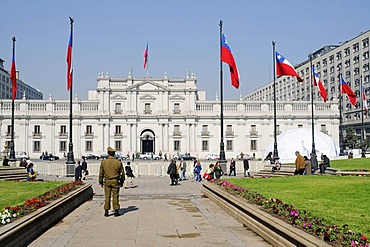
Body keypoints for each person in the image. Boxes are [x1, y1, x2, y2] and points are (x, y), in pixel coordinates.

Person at [99, 147, 125, 217]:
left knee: (107, 196)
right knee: (115, 195)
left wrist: (100, 182)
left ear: (108, 154)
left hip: (107, 181)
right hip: (115, 181)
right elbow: (122, 173)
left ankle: (106, 211)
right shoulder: (118, 162)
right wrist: (122, 181)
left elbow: (101, 173)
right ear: (114, 154)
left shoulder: (104, 162)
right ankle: (116, 211)